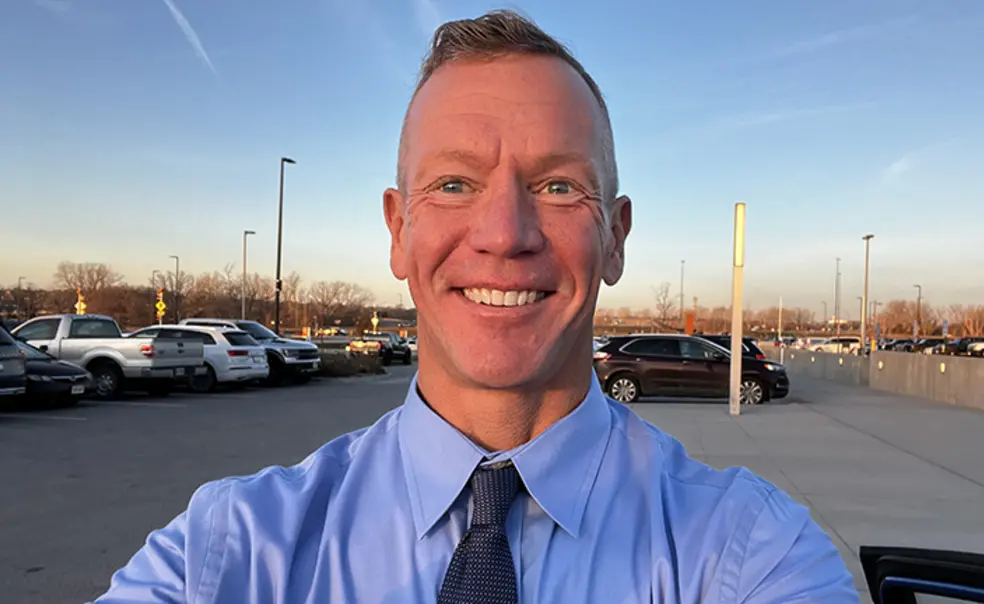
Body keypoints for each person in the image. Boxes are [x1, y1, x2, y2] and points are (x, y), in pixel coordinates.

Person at [93, 10, 858, 604]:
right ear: (399, 231)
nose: (504, 234)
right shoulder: (224, 556)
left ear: (615, 238)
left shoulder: (749, 555)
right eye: (454, 184)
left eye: (558, 186)